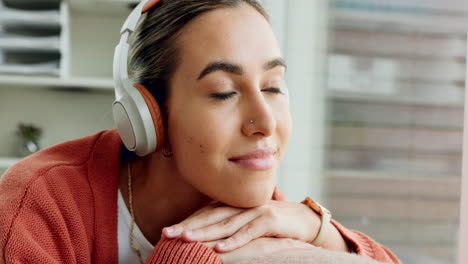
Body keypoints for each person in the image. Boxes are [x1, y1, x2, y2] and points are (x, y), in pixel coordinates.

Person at [0, 0, 401, 263]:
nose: (266, 123)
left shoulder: (263, 212)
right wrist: (186, 255)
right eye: (224, 93)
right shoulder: (38, 207)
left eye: (273, 86)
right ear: (150, 116)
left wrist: (321, 230)